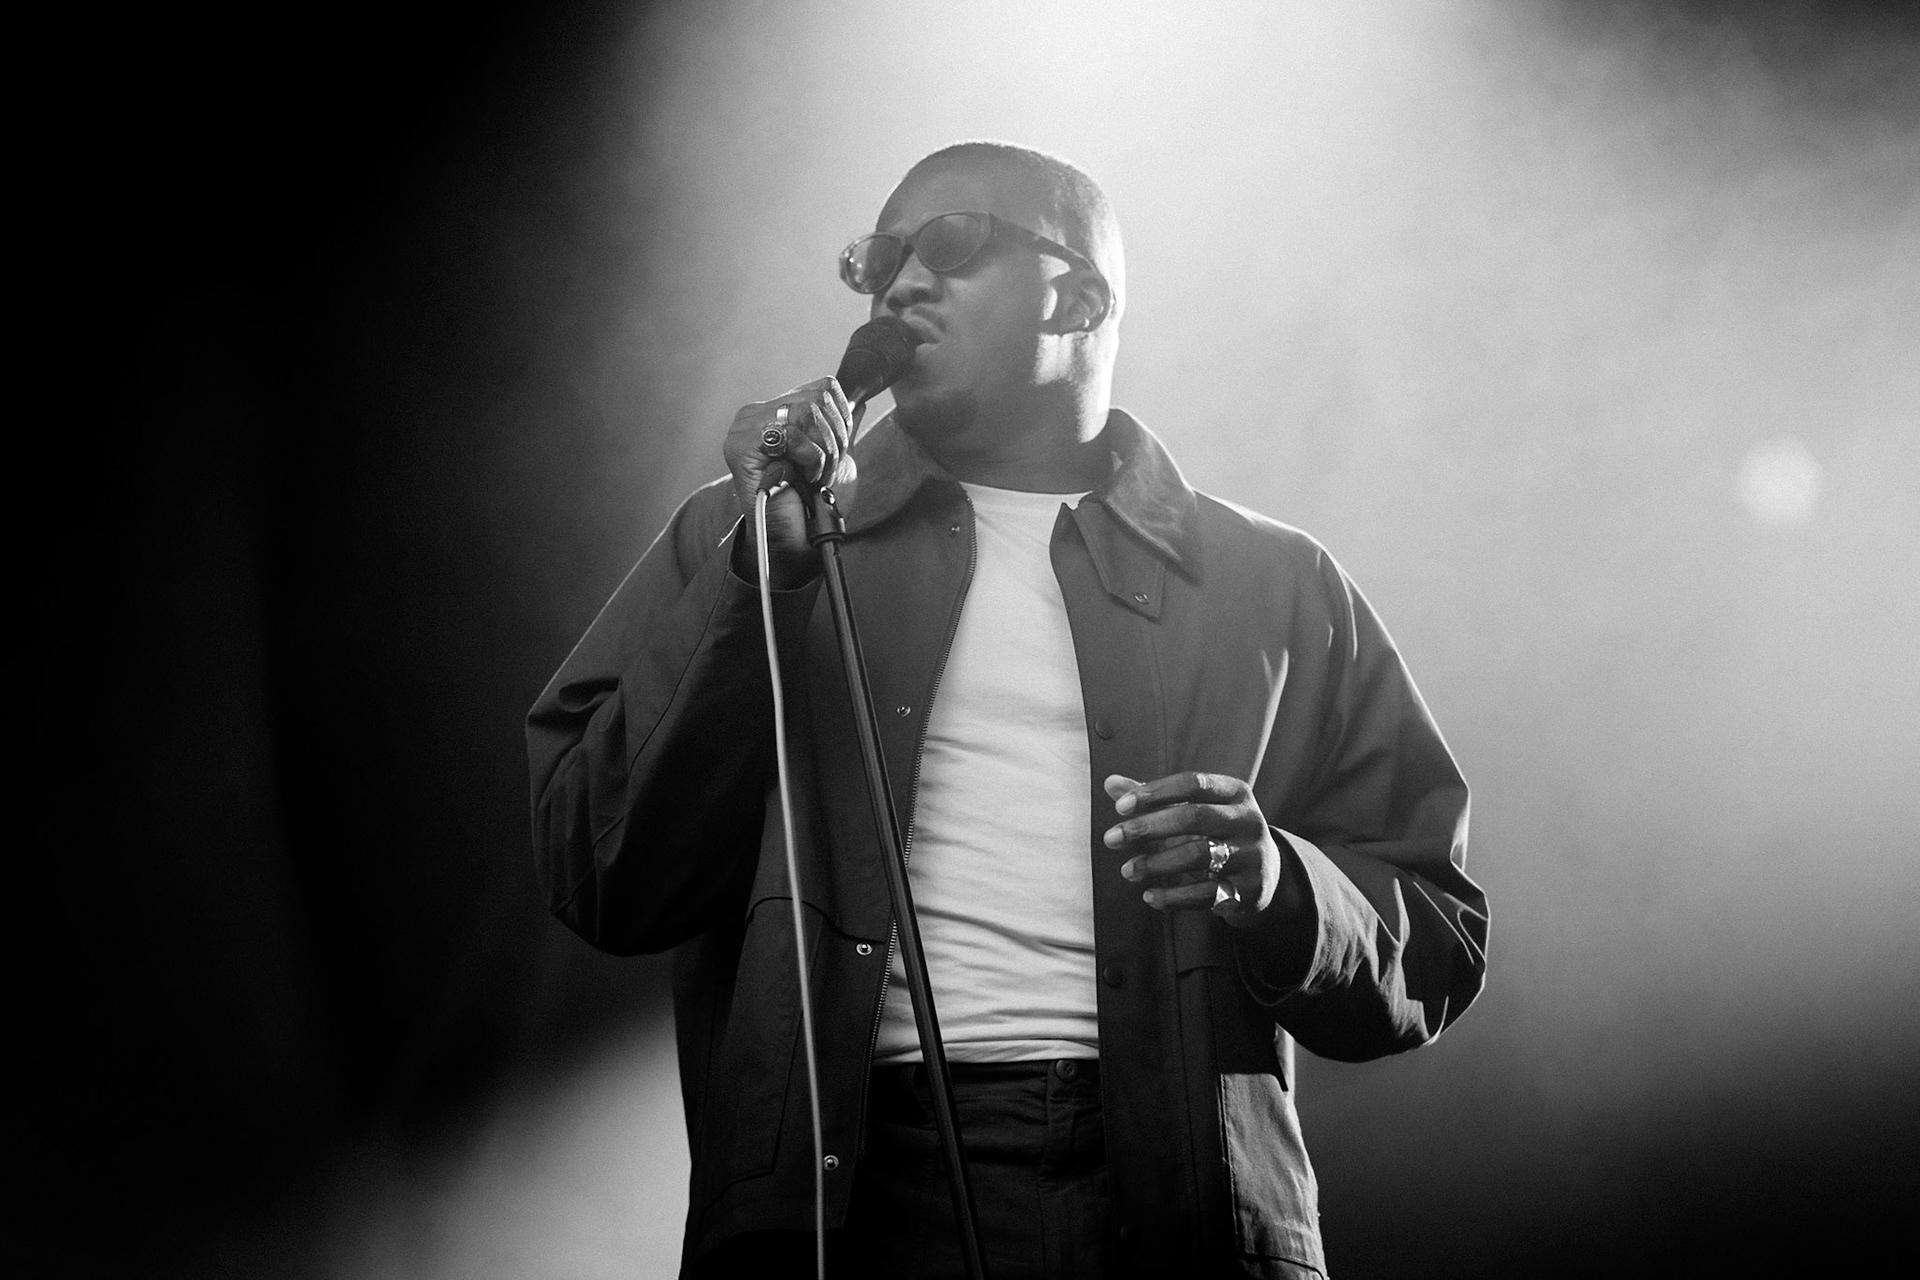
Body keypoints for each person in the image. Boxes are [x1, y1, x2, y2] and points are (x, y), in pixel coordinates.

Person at [527, 140, 1489, 1279]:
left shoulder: (1273, 584)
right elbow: (600, 864)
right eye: (878, 259)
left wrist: (1279, 881)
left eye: (952, 243)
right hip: (854, 1194)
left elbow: (1436, 930)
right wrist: (759, 580)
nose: (899, 283)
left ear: (1081, 296)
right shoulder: (756, 537)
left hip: (1179, 1198)